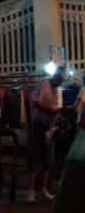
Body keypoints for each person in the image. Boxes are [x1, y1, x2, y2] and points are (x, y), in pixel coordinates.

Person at [28, 70, 64, 203]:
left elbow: (58, 109)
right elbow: (36, 102)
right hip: (39, 124)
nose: (59, 82)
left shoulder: (59, 88)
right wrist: (49, 109)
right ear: (54, 76)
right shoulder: (44, 82)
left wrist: (52, 127)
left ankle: (44, 189)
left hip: (50, 125)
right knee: (37, 157)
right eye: (59, 79)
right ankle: (31, 191)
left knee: (48, 158)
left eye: (61, 80)